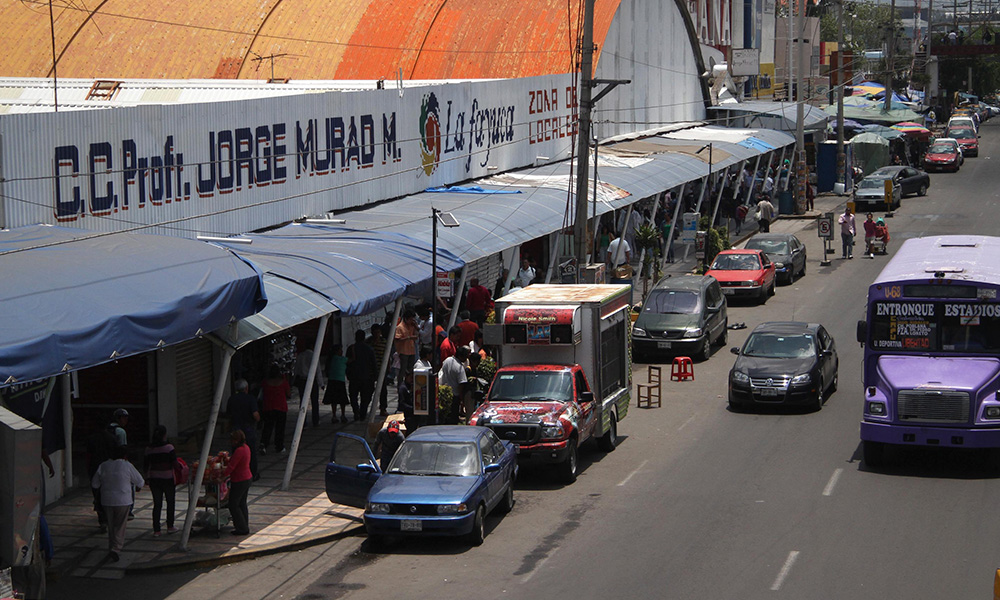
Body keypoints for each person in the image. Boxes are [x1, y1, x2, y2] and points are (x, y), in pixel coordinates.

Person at [91, 445, 144, 562]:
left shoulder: (103, 465)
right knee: (120, 526)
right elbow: (140, 481)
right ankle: (116, 549)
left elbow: (95, 484)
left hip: (107, 500)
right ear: (125, 456)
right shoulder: (127, 465)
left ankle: (112, 547)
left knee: (111, 525)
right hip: (123, 500)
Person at [143, 425, 178, 537]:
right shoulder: (169, 448)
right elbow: (175, 463)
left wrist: (147, 477)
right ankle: (170, 526)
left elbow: (145, 465)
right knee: (170, 502)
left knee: (157, 504)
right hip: (168, 479)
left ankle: (156, 530)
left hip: (154, 479)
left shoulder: (149, 449)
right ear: (164, 435)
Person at [86, 420, 118, 531]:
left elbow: (89, 456)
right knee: (110, 493)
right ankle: (110, 518)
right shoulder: (112, 438)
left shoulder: (92, 439)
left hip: (95, 469)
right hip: (110, 470)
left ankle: (102, 520)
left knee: (98, 495)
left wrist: (89, 469)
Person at [226, 378, 260, 479]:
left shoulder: (232, 399)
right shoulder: (250, 399)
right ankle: (253, 474)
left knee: (236, 453)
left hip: (236, 429)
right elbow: (255, 415)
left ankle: (236, 473)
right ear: (246, 388)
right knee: (251, 452)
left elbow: (228, 414)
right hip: (248, 429)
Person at [222, 429, 252, 537]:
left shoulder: (239, 450)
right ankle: (244, 525)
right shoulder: (246, 448)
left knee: (233, 504)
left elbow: (231, 466)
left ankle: (241, 528)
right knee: (242, 503)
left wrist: (222, 475)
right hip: (247, 478)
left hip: (240, 480)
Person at [346, 329, 377, 421]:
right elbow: (374, 364)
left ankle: (356, 411)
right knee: (366, 397)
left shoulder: (351, 348)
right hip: (367, 377)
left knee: (353, 396)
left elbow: (347, 362)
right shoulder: (369, 349)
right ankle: (363, 413)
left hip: (354, 377)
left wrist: (348, 374)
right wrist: (375, 376)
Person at [259, 365, 291, 454]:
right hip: (281, 408)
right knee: (280, 428)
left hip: (268, 407)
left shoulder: (265, 382)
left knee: (267, 427)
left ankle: (263, 444)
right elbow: (288, 394)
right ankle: (279, 446)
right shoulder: (283, 382)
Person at [439, 346, 470, 424]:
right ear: (460, 356)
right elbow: (461, 384)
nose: (466, 359)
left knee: (445, 415)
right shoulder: (460, 368)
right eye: (465, 357)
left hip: (444, 393)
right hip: (454, 395)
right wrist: (461, 398)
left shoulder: (447, 360)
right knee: (453, 417)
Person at [293, 346, 321, 427]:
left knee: (303, 401)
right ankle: (315, 420)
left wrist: (294, 380)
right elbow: (318, 370)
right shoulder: (314, 355)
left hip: (302, 380)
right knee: (315, 401)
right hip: (312, 380)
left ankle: (303, 422)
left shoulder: (300, 356)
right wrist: (321, 383)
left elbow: (296, 369)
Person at [367, 324, 390, 417]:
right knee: (369, 390)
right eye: (375, 332)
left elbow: (387, 355)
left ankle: (383, 408)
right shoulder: (368, 342)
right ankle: (365, 407)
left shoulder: (384, 342)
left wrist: (388, 367)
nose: (377, 334)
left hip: (382, 369)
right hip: (371, 370)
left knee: (383, 390)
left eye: (378, 332)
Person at [323, 345, 350, 423]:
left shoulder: (330, 359)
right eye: (340, 350)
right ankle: (343, 415)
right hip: (340, 381)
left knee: (333, 400)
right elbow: (352, 359)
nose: (342, 352)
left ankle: (334, 415)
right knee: (342, 400)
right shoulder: (342, 359)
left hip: (332, 381)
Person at [394, 308, 419, 381]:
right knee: (403, 369)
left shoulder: (412, 326)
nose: (412, 321)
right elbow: (397, 339)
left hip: (411, 350)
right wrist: (408, 338)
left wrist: (416, 326)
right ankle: (400, 384)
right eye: (410, 319)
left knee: (411, 369)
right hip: (403, 351)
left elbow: (417, 335)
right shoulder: (400, 327)